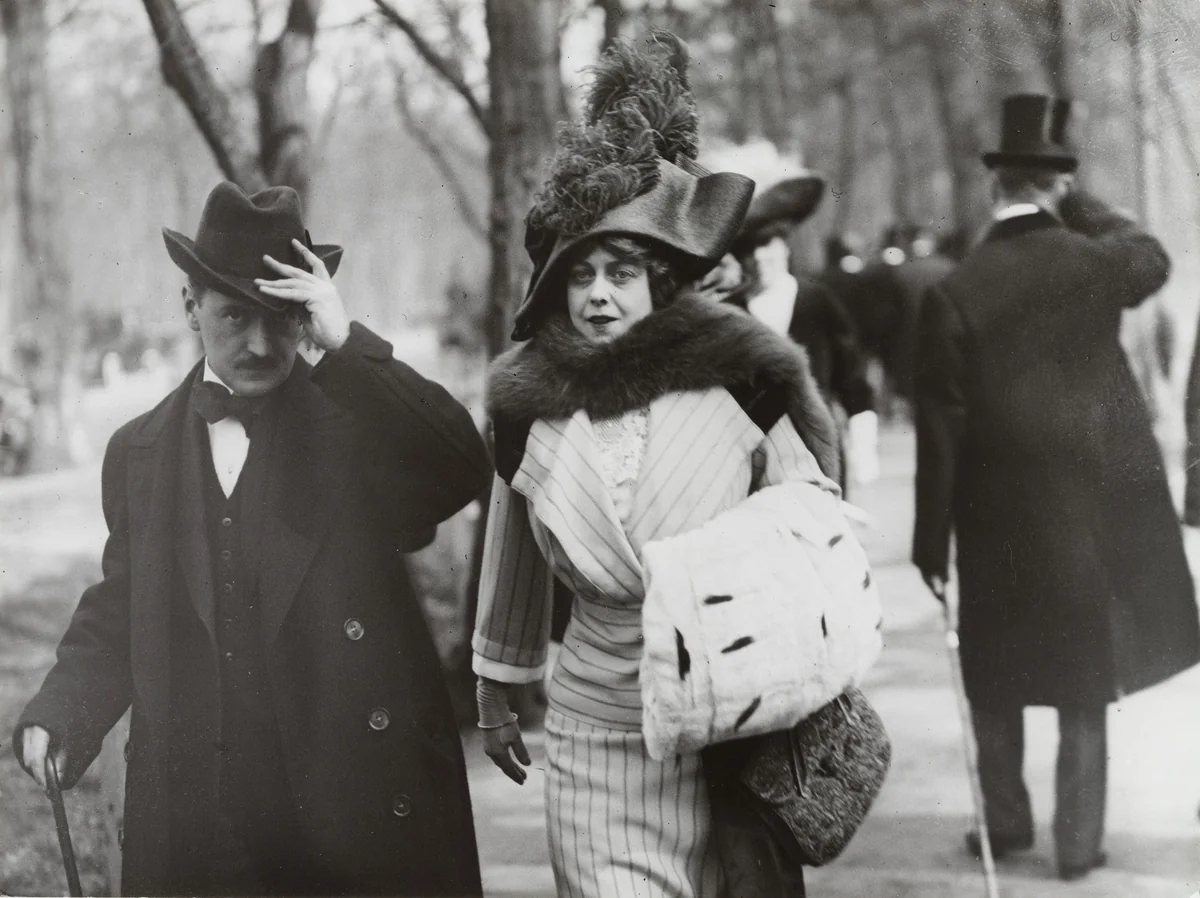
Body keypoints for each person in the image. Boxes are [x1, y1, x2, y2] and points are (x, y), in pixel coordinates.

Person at [472, 33, 881, 898]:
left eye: (621, 271)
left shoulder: (741, 382)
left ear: (660, 281)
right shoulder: (526, 405)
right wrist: (498, 686)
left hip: (731, 732)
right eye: (579, 275)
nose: (597, 295)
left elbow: (812, 518)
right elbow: (512, 554)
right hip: (594, 736)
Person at [13, 182, 490, 896]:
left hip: (347, 802)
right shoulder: (139, 451)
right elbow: (124, 606)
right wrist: (61, 714)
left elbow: (462, 465)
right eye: (235, 317)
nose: (262, 344)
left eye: (282, 319)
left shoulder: (355, 425)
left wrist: (347, 345)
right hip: (208, 820)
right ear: (189, 308)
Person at [913, 94, 1200, 881]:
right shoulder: (1095, 262)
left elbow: (939, 430)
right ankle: (1078, 844)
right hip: (1085, 513)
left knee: (995, 677)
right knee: (1082, 679)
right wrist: (1085, 205)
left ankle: (1004, 824)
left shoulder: (957, 290)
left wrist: (928, 543)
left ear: (992, 189)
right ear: (1054, 187)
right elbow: (1151, 254)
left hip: (991, 516)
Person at [724, 174, 879, 488]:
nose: (759, 257)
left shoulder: (814, 300)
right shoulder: (732, 310)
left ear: (785, 246)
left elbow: (850, 372)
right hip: (753, 456)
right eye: (749, 250)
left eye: (768, 245)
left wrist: (864, 445)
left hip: (817, 447)